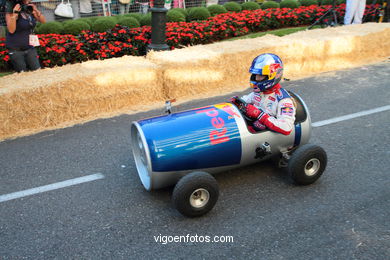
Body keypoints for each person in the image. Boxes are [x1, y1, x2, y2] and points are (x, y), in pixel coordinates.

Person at [230, 53, 296, 136]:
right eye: (255, 75)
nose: (256, 79)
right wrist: (235, 102)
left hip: (265, 140)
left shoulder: (284, 100)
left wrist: (259, 114)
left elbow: (286, 128)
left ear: (273, 75)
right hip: (250, 131)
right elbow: (244, 101)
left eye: (261, 76)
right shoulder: (258, 92)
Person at [5, 0, 46, 72]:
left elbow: (43, 21)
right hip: (16, 50)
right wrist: (14, 15)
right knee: (22, 76)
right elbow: (11, 30)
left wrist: (36, 10)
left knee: (38, 72)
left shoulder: (28, 8)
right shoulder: (11, 9)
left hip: (30, 47)